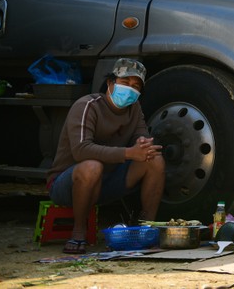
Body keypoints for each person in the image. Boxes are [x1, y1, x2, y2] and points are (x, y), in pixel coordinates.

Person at [47, 58, 165, 254]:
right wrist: (128, 153)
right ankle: (78, 232)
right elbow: (81, 150)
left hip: (106, 182)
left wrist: (144, 145)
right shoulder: (88, 105)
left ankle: (146, 228)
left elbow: (142, 138)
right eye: (125, 83)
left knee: (154, 159)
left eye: (136, 86)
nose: (130, 89)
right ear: (111, 83)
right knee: (92, 166)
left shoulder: (134, 109)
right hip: (67, 184)